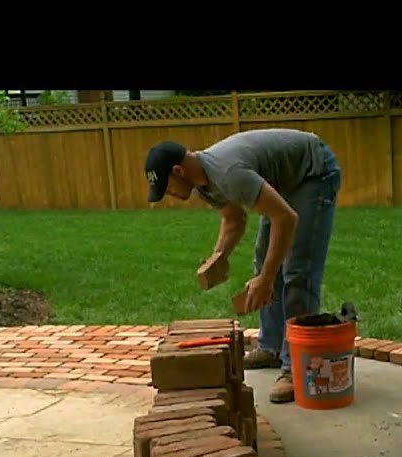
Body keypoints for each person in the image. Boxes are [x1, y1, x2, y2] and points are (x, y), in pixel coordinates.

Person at [144, 128, 342, 403]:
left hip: (313, 171)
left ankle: (297, 367)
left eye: (166, 187)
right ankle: (271, 347)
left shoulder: (227, 174)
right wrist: (218, 256)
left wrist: (266, 278)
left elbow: (286, 218)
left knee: (298, 271)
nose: (168, 194)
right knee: (264, 259)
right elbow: (234, 219)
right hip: (285, 180)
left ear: (178, 171)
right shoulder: (203, 184)